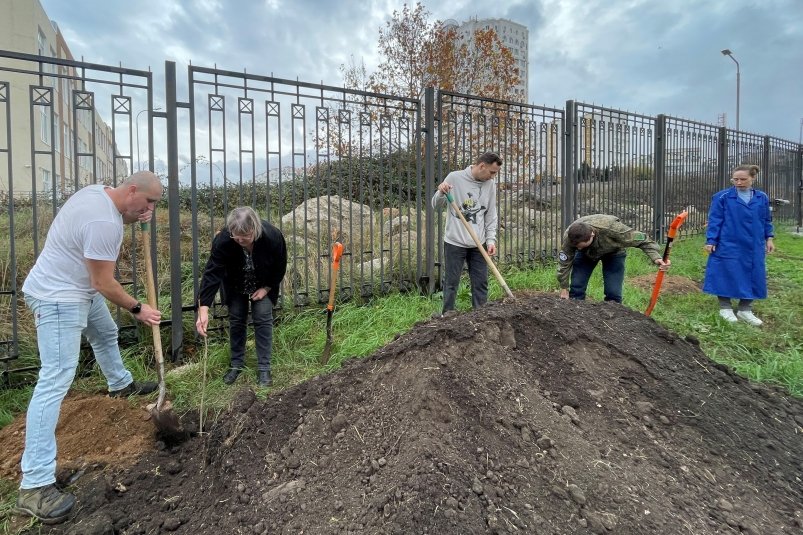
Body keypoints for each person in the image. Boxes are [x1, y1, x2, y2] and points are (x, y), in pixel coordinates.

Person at [17, 171, 164, 524]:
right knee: (55, 379)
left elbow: (94, 271)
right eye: (149, 203)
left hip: (77, 285)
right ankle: (34, 485)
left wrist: (136, 217)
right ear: (131, 191)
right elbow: (103, 281)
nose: (151, 211)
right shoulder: (103, 221)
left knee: (104, 332)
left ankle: (120, 383)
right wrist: (138, 308)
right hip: (59, 296)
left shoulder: (100, 195)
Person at [196, 207, 287, 386]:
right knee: (237, 319)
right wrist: (203, 308)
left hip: (263, 283)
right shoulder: (224, 239)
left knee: (262, 318)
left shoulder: (272, 236)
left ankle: (264, 368)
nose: (240, 240)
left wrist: (267, 288)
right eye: (235, 236)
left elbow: (280, 265)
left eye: (245, 236)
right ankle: (236, 364)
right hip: (235, 284)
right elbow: (212, 273)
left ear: (255, 228)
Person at [703, 164, 774, 326]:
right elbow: (715, 220)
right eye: (735, 179)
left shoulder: (761, 197)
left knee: (753, 273)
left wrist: (769, 238)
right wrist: (711, 240)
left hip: (753, 245)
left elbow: (766, 220)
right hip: (728, 242)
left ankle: (745, 309)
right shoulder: (722, 197)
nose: (739, 182)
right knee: (725, 271)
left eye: (743, 179)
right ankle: (725, 307)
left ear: (752, 179)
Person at [431, 152, 502, 314]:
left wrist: (490, 240)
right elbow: (436, 205)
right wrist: (441, 191)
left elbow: (491, 214)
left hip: (479, 242)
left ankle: (481, 315)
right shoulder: (455, 178)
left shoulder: (490, 185)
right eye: (492, 172)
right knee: (451, 282)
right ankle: (448, 314)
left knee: (481, 282)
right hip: (455, 242)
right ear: (482, 166)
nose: (493, 177)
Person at [557, 214, 670, 303]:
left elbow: (643, 241)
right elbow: (564, 263)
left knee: (613, 294)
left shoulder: (614, 230)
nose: (578, 248)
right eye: (576, 247)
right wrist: (564, 288)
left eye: (581, 245)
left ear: (592, 235)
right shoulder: (570, 237)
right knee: (576, 289)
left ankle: (614, 320)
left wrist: (657, 258)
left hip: (614, 253)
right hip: (587, 254)